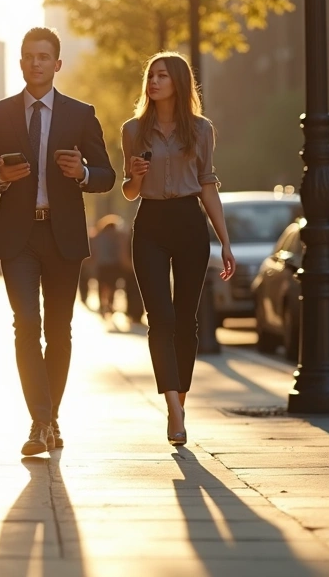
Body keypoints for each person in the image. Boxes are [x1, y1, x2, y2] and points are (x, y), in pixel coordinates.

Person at [0, 27, 116, 456]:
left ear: (57, 64)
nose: (36, 63)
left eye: (44, 56)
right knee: (25, 326)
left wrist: (83, 173)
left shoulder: (80, 114)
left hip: (63, 235)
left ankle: (48, 417)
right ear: (20, 63)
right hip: (19, 237)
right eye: (29, 56)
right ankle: (40, 421)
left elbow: (107, 174)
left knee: (59, 330)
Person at [121, 51, 235, 447]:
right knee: (161, 318)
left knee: (187, 321)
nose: (153, 82)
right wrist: (134, 177)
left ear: (179, 83)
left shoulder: (202, 130)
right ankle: (172, 407)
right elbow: (129, 191)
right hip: (150, 223)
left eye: (162, 76)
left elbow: (207, 185)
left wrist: (224, 241)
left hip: (189, 223)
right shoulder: (132, 130)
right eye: (150, 76)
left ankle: (180, 401)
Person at [91, 215, 125, 317]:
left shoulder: (99, 235)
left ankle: (102, 305)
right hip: (114, 265)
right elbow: (120, 250)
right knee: (112, 286)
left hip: (102, 265)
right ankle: (110, 304)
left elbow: (94, 250)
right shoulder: (117, 236)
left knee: (102, 285)